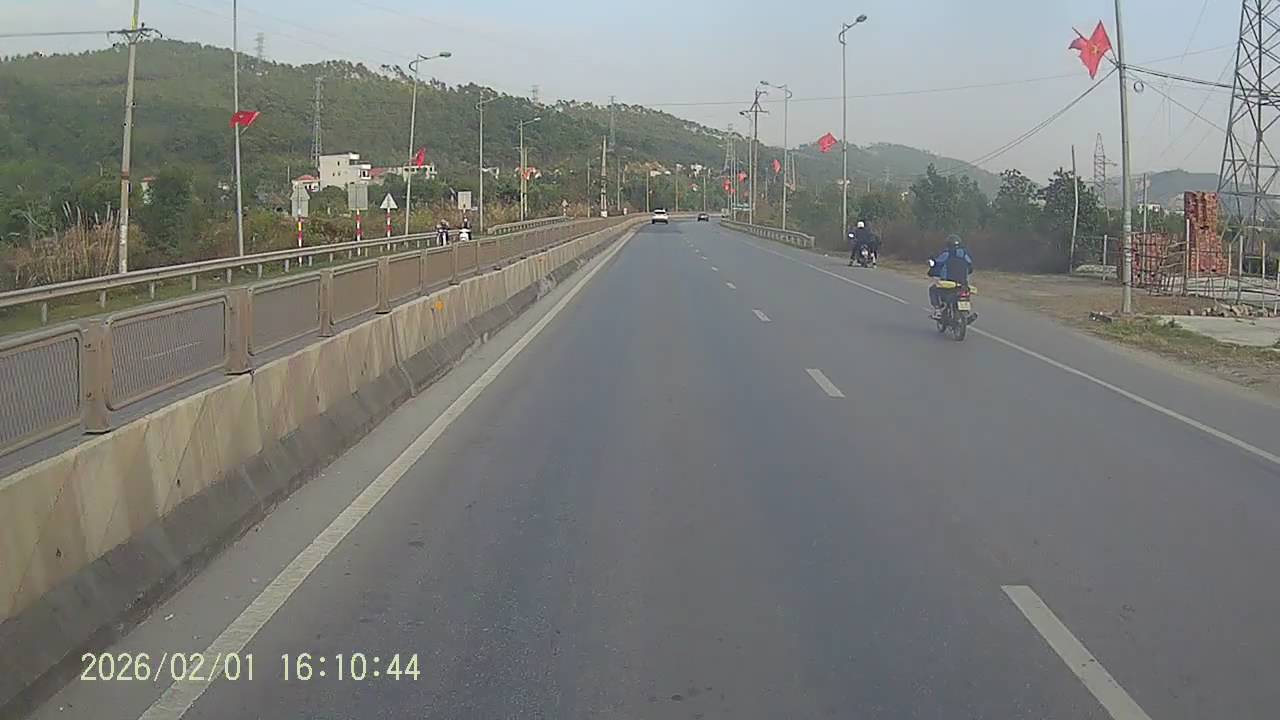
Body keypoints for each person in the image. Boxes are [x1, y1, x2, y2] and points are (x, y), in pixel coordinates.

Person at [928, 234, 974, 319]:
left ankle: (938, 311)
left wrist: (932, 272)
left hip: (948, 282)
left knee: (933, 289)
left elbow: (938, 265)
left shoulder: (946, 254)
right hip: (962, 283)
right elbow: (970, 267)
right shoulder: (964, 254)